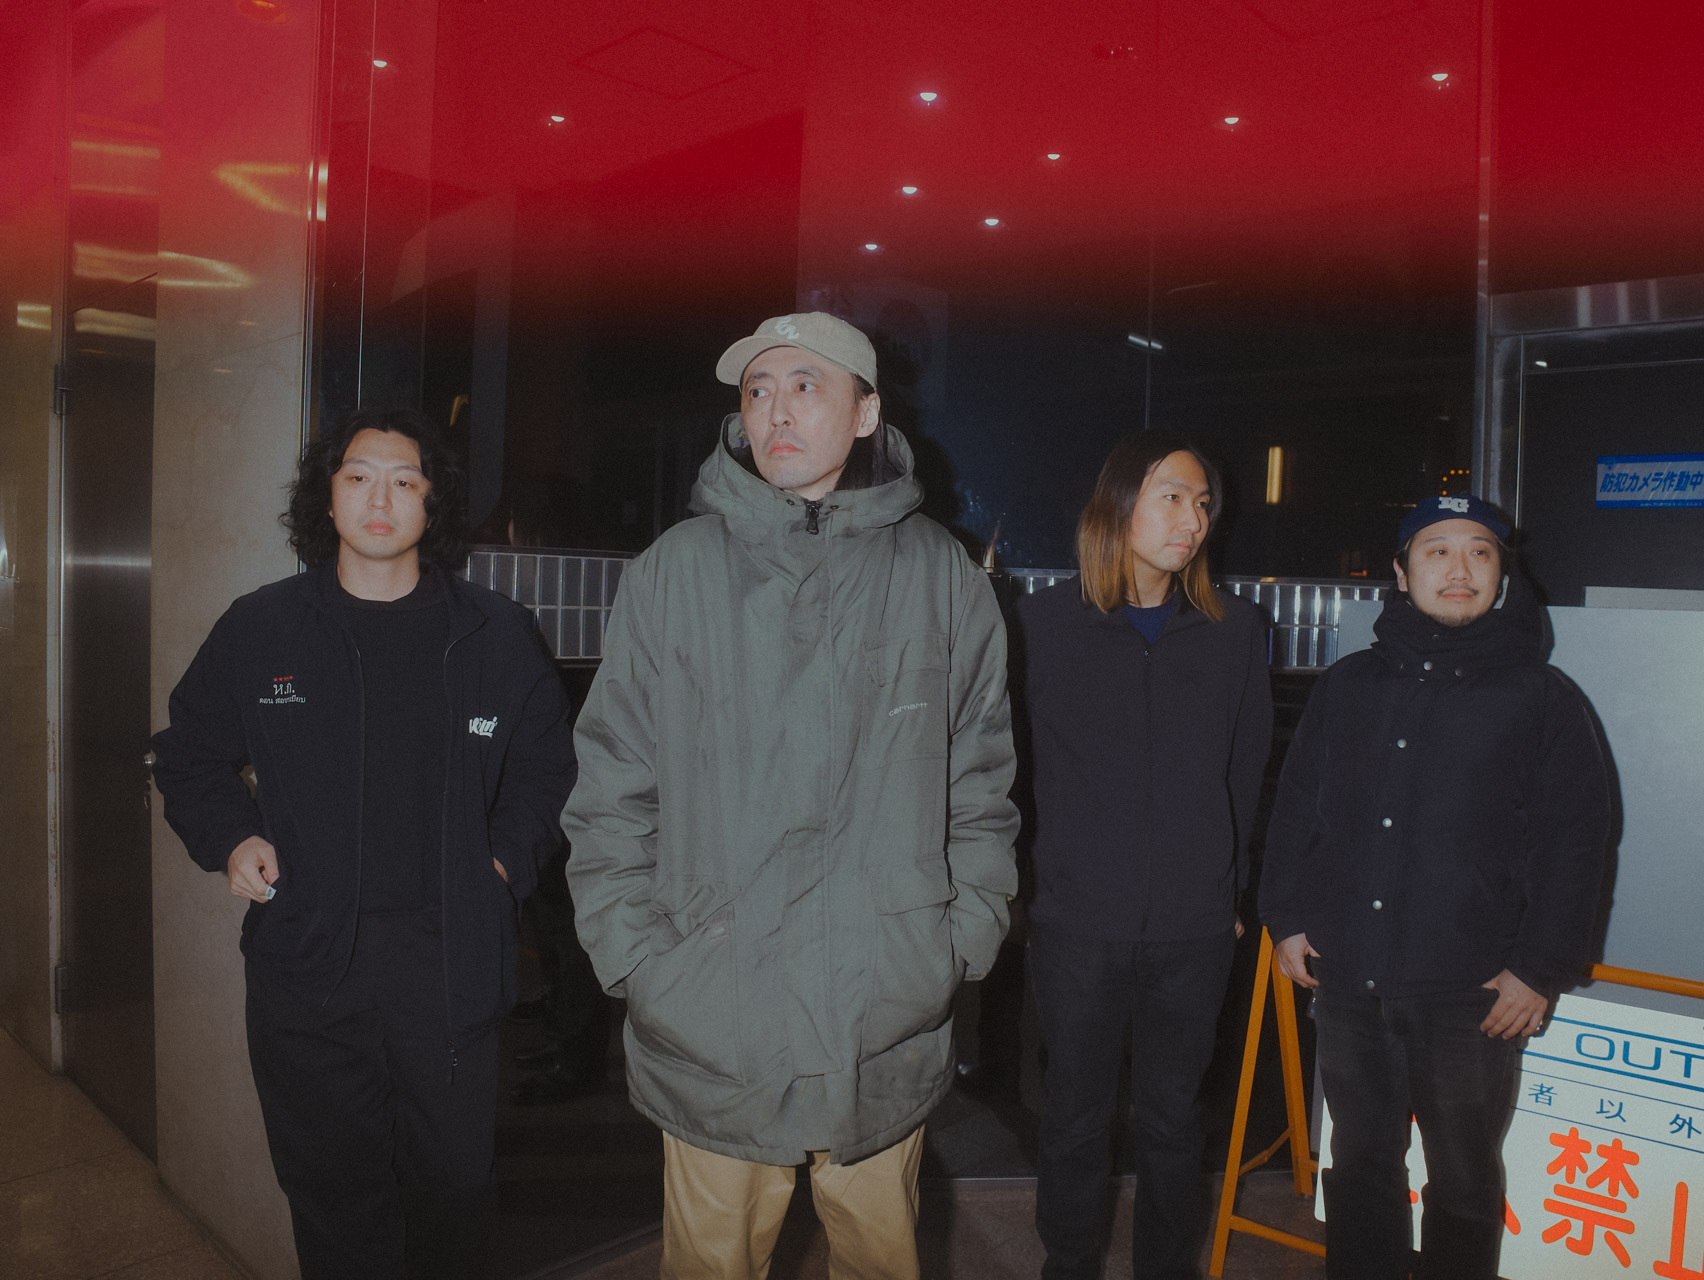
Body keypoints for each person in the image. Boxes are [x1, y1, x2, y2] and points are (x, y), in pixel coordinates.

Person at [563, 312, 1020, 1279]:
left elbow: (979, 782)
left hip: (882, 1016)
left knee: (881, 1263)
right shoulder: (674, 572)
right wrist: (637, 956)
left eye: (806, 386)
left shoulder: (941, 578)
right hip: (713, 1017)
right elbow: (611, 783)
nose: (776, 410)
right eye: (758, 389)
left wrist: (958, 938)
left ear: (868, 413)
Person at [150, 408, 576, 1278]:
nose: (380, 499)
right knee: (335, 1203)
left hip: (448, 964)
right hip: (309, 966)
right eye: (358, 477)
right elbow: (186, 754)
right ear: (328, 495)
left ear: (432, 501)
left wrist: (500, 862)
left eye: (404, 480)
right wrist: (232, 838)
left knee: (454, 1195)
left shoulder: (494, 632)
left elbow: (547, 769)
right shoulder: (263, 627)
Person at [1260, 494, 1609, 1278]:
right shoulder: (1348, 685)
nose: (1460, 569)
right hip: (1351, 978)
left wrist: (1539, 968)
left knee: (1464, 1181)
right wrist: (1286, 916)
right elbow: (1297, 808)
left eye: (1480, 552)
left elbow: (1578, 842)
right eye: (1437, 550)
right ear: (1400, 571)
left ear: (1502, 574)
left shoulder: (1542, 697)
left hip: (1472, 994)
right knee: (1360, 1165)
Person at [1013, 433, 1274, 1279]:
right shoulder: (1042, 626)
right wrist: (1028, 891)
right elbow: (1009, 771)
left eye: (1202, 503)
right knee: (1074, 1118)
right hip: (1077, 922)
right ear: (1119, 504)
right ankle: (1068, 1265)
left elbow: (1245, 774)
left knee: (1173, 1122)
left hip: (1195, 929)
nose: (1192, 519)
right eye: (1171, 497)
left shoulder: (1236, 631)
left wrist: (1230, 894)